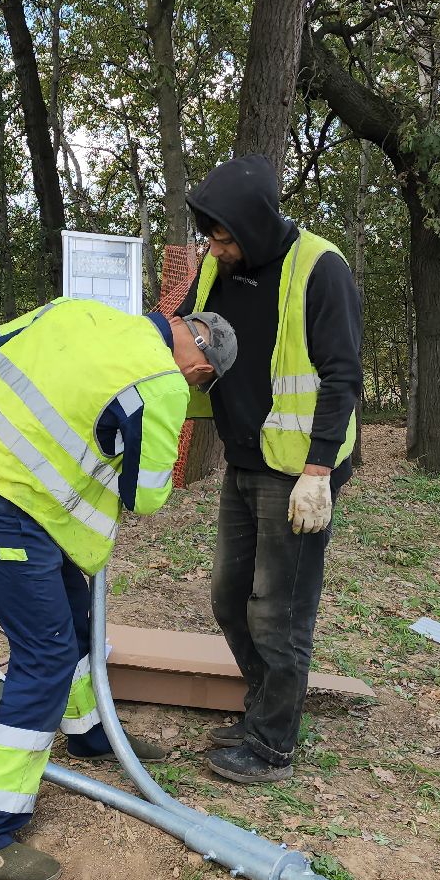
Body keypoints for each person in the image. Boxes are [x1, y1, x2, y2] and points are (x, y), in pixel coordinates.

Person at [0, 296, 238, 880]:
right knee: (45, 657)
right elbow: (147, 496)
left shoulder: (85, 311)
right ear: (202, 370)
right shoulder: (165, 385)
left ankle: (87, 733)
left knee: (75, 624)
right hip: (4, 500)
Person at [173, 154, 363, 786]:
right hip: (245, 457)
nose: (214, 248)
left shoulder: (320, 269)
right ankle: (265, 706)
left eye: (223, 236)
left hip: (299, 471)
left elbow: (341, 377)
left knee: (277, 613)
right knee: (229, 598)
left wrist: (318, 471)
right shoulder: (214, 268)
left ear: (254, 226)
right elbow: (187, 333)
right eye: (210, 236)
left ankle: (274, 742)